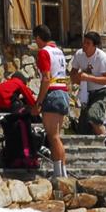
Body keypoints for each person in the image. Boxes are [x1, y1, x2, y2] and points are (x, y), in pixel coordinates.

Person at [33, 24, 71, 177]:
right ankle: (62, 172)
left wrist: (39, 102)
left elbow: (46, 78)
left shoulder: (44, 52)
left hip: (53, 93)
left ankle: (59, 173)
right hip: (63, 92)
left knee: (52, 136)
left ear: (38, 38)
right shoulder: (59, 52)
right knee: (56, 136)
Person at [71, 30, 106, 135]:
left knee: (94, 115)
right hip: (87, 93)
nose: (85, 45)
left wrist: (88, 78)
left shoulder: (103, 58)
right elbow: (73, 74)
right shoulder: (79, 54)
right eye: (84, 42)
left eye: (88, 43)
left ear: (95, 46)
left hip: (102, 92)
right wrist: (78, 78)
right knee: (83, 126)